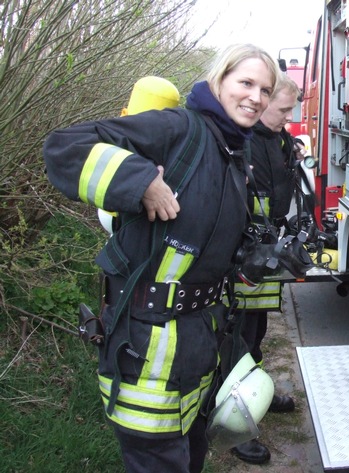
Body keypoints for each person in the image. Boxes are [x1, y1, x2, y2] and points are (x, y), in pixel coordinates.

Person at [42, 43, 279, 473]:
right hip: (146, 354)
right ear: (218, 81)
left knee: (190, 461)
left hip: (199, 349)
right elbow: (64, 147)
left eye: (265, 89)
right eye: (245, 83)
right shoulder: (178, 130)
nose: (256, 97)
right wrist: (139, 182)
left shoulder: (233, 153)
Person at [230, 73, 304, 465]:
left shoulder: (278, 139)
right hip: (239, 256)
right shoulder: (240, 140)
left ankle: (256, 393)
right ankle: (235, 423)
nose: (288, 117)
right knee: (234, 337)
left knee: (256, 329)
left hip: (264, 251)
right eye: (284, 109)